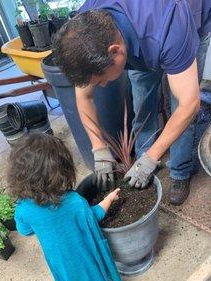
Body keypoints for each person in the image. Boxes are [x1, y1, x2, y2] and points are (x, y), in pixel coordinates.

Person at [54, 0, 211, 205]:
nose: (101, 86)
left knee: (179, 104)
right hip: (141, 33)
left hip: (191, 18)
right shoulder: (85, 28)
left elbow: (189, 105)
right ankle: (139, 162)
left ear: (115, 51)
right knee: (143, 97)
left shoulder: (171, 28)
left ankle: (180, 172)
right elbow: (84, 95)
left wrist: (152, 157)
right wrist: (98, 148)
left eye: (101, 79)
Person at [7, 134, 123, 281]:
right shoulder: (75, 201)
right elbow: (94, 216)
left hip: (57, 256)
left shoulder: (23, 209)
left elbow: (25, 231)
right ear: (63, 170)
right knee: (92, 273)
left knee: (70, 274)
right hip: (84, 254)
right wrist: (108, 199)